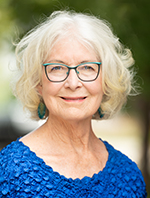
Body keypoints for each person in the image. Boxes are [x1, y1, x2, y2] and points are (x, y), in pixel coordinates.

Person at [0, 10, 147, 197]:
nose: (73, 83)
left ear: (106, 81)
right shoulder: (8, 171)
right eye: (57, 68)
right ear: (38, 83)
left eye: (87, 67)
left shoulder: (128, 175)